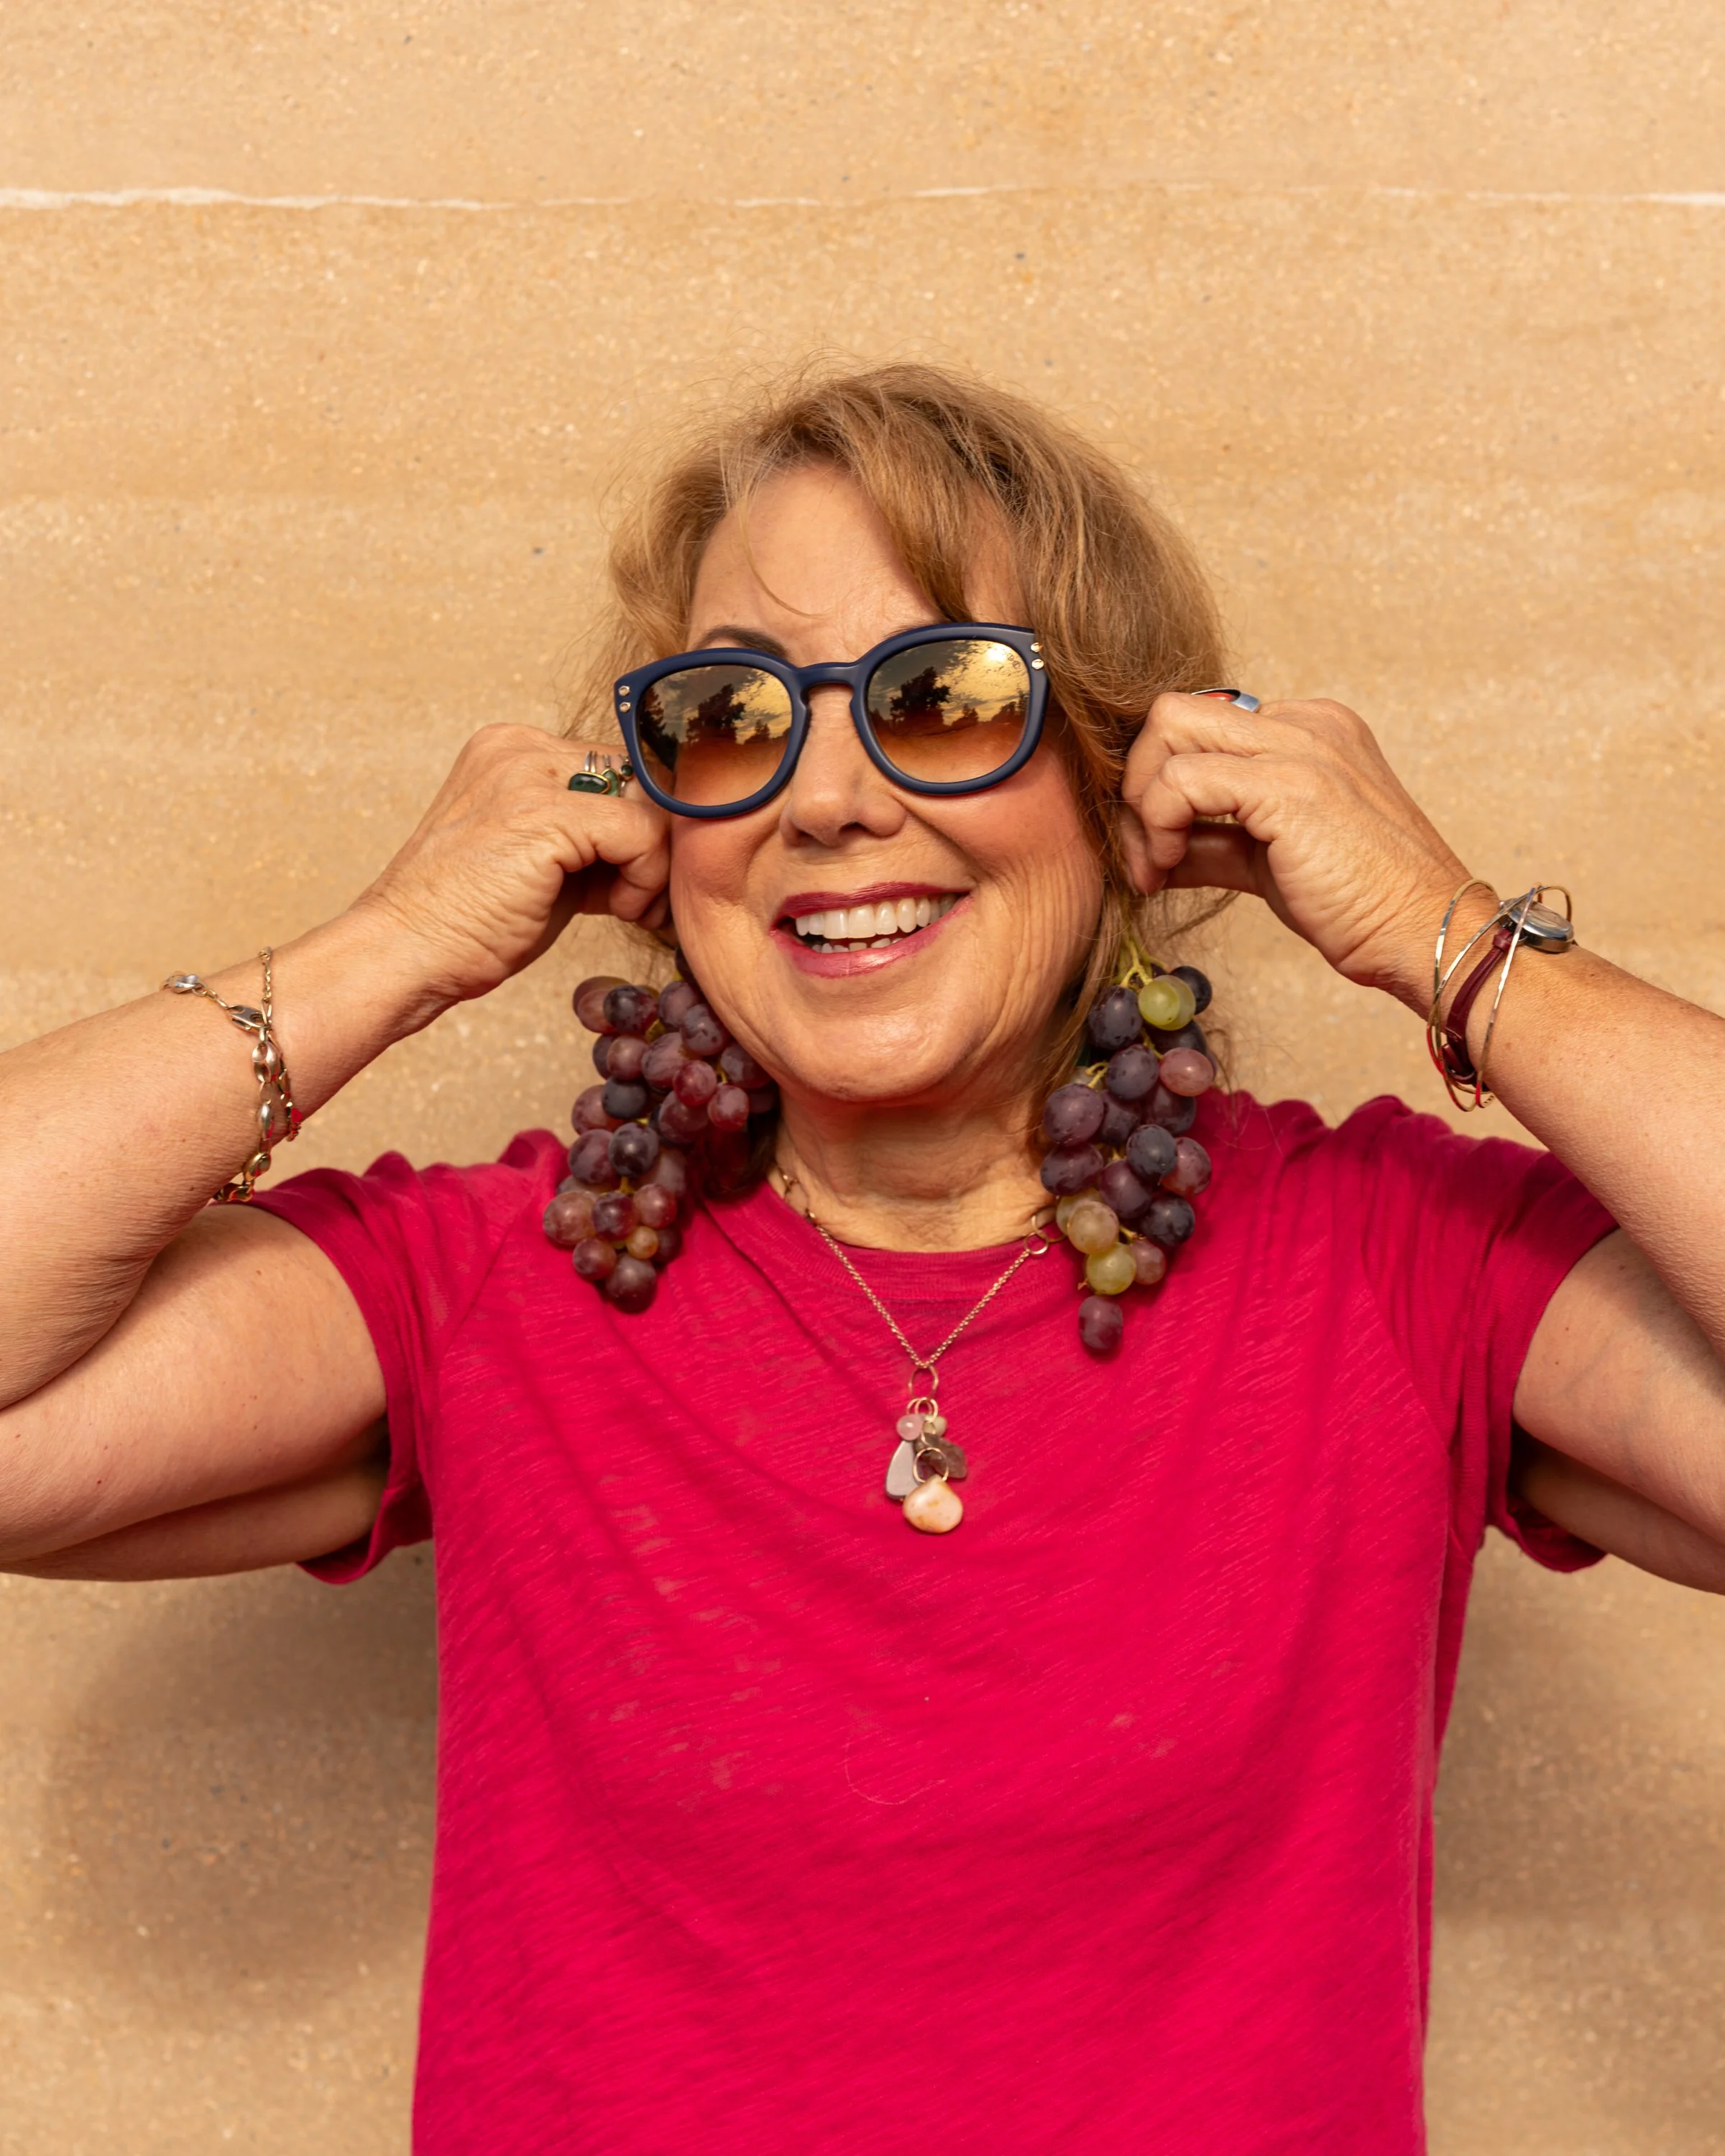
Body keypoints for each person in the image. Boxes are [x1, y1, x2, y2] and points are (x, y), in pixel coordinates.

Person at [1, 361, 1722, 2152]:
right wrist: (396, 942)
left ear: (1132, 774)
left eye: (945, 693)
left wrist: (1453, 941)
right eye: (734, 720)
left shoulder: (1390, 1268)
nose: (823, 801)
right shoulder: (515, 1275)